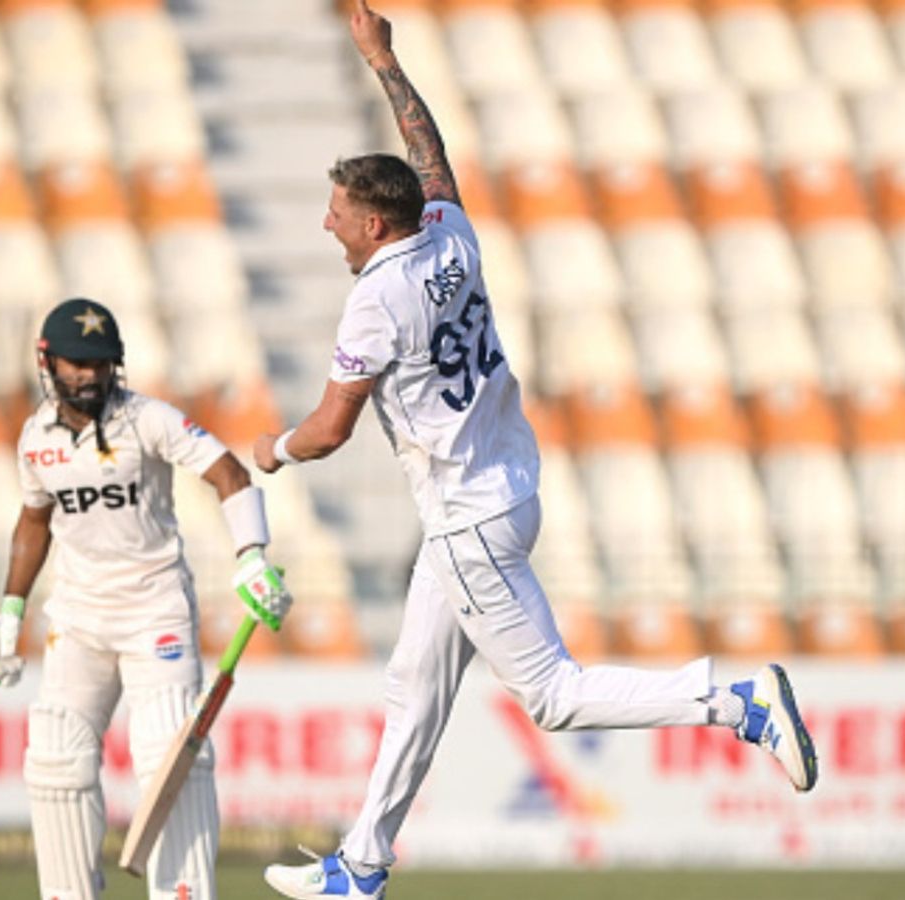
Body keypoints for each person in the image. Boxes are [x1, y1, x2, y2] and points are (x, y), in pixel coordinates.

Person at [253, 4, 819, 897]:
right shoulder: (450, 232)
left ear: (373, 226)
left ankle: (736, 701)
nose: (327, 226)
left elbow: (330, 429)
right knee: (415, 686)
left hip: (468, 518)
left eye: (336, 214)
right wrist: (384, 63)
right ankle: (360, 867)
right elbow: (427, 148)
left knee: (553, 695)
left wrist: (274, 449)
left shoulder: (376, 299)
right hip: (503, 487)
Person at [0, 297, 293, 900]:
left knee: (169, 756)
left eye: (101, 363)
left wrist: (250, 554)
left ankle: (184, 895)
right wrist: (9, 611)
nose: (89, 375)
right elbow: (34, 522)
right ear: (48, 362)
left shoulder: (147, 418)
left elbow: (228, 473)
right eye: (76, 363)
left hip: (156, 612)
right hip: (79, 616)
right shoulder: (34, 439)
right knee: (56, 759)